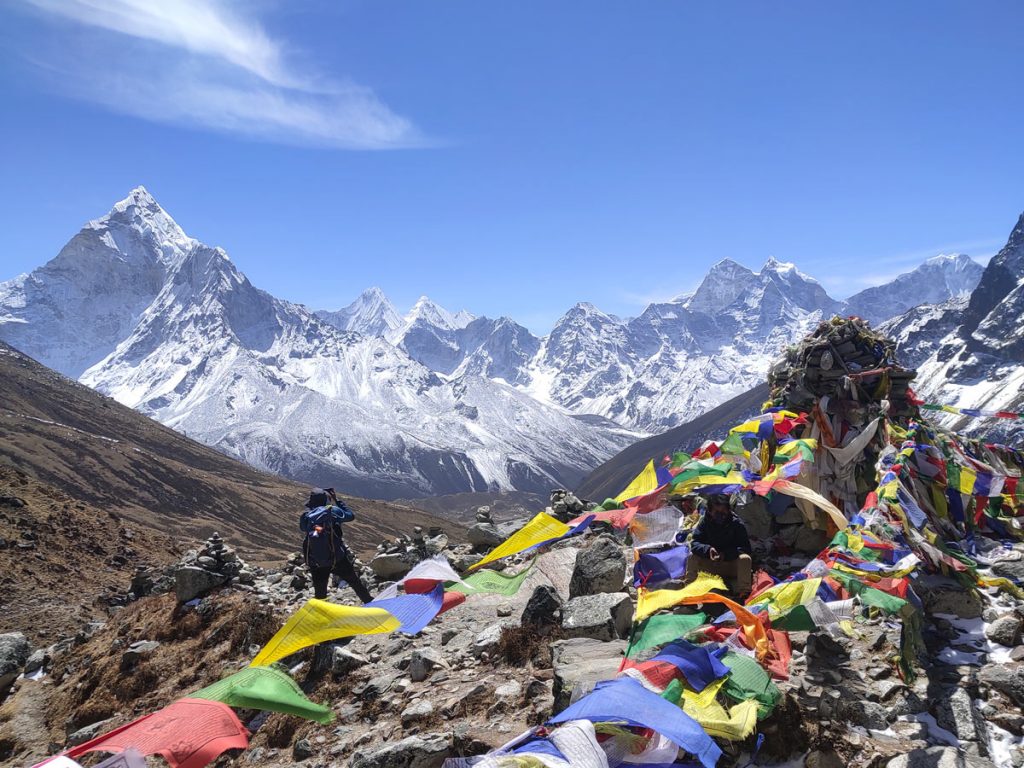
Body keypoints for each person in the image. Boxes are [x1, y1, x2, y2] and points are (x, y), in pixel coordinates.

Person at [299, 488, 373, 603]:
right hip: (337, 558)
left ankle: (322, 616)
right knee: (354, 582)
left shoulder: (306, 515)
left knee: (320, 594)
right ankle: (370, 603)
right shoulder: (333, 511)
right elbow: (350, 516)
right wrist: (337, 500)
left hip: (316, 561)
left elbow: (303, 528)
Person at [684, 493, 752, 596]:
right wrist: (708, 550)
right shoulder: (705, 523)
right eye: (716, 512)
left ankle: (743, 593)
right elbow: (695, 543)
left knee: (745, 559)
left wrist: (726, 554)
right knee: (692, 557)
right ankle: (689, 593)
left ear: (728, 510)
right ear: (710, 511)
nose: (720, 515)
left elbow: (745, 548)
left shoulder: (736, 524)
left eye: (723, 511)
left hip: (729, 565)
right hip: (711, 565)